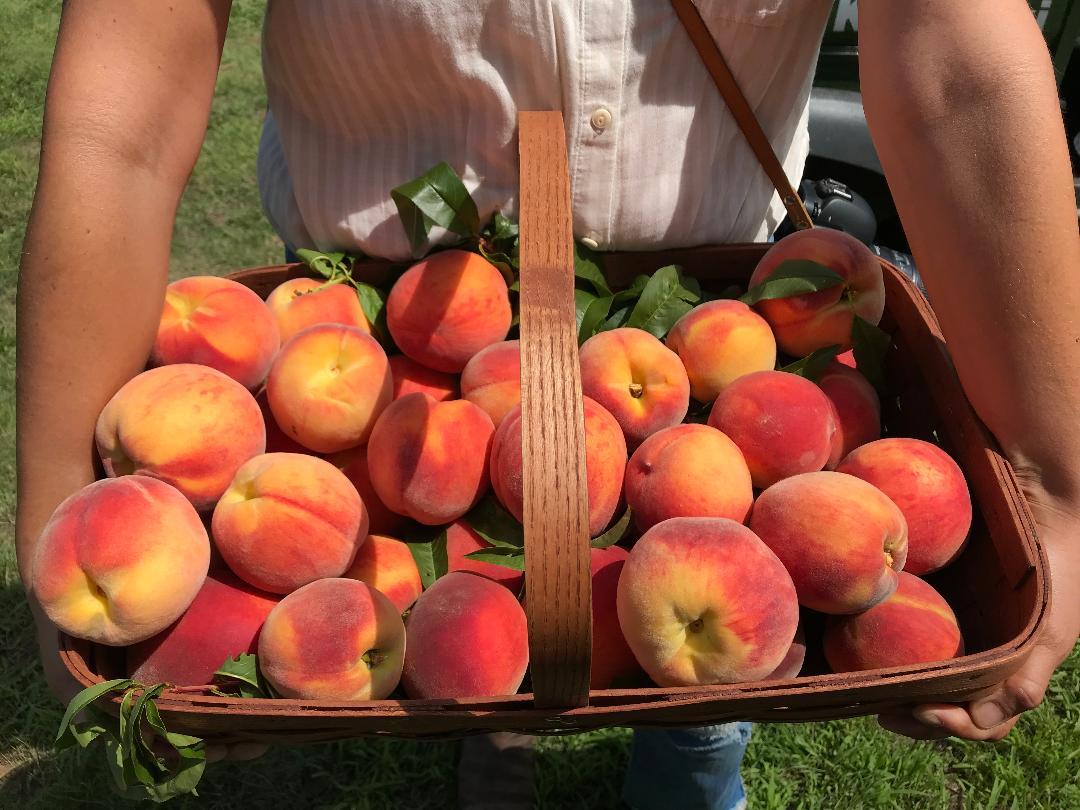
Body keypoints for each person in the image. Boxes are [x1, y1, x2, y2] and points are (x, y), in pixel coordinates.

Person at [16, 2, 1080, 808]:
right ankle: (493, 711)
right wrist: (65, 516)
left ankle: (687, 743)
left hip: (714, 317)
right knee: (479, 608)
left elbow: (957, 63)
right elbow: (124, 118)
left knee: (708, 669)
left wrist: (1054, 482)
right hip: (392, 341)